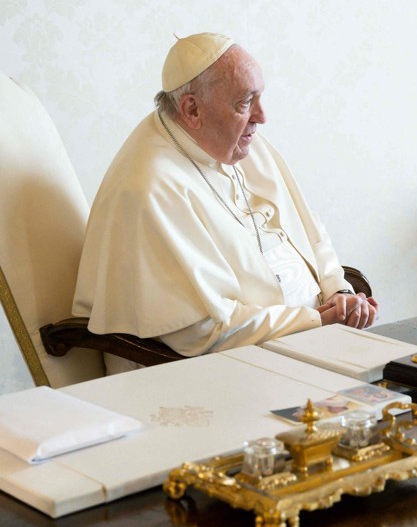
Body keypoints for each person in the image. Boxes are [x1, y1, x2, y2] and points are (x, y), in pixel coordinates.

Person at [73, 32, 377, 373]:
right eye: (245, 102)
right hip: (234, 369)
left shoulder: (240, 143)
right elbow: (201, 330)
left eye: (260, 98)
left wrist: (339, 291)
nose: (261, 116)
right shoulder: (149, 187)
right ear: (191, 109)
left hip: (312, 339)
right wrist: (312, 320)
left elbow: (311, 231)